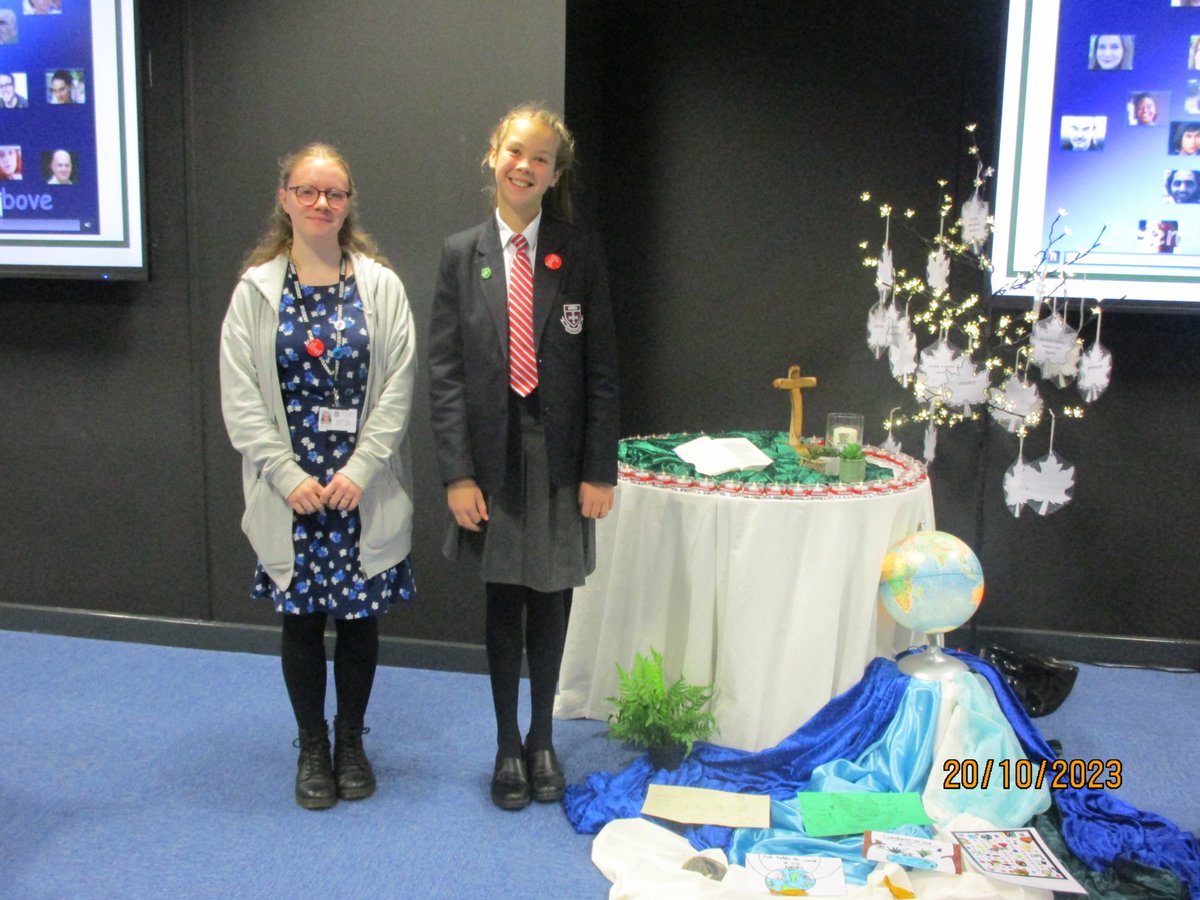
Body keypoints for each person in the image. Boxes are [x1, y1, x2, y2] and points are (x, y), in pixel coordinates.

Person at [428, 105, 619, 811]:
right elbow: (443, 374)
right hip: (491, 463)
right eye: (516, 151)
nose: (525, 166)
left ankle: (545, 739)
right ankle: (507, 743)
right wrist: (457, 474)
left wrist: (601, 470)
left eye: (541, 158)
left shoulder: (579, 251)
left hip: (562, 464)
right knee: (504, 601)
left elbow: (603, 370)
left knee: (553, 601)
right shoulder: (460, 255)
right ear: (493, 154)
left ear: (555, 174)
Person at [219, 143, 417, 811]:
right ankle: (311, 746)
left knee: (359, 619)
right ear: (285, 199)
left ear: (349, 202)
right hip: (294, 490)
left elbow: (398, 386)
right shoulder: (256, 289)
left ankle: (351, 742)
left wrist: (361, 468)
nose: (320, 203)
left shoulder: (381, 285)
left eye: (333, 193)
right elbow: (240, 394)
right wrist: (282, 472)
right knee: (301, 620)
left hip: (360, 487)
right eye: (307, 191)